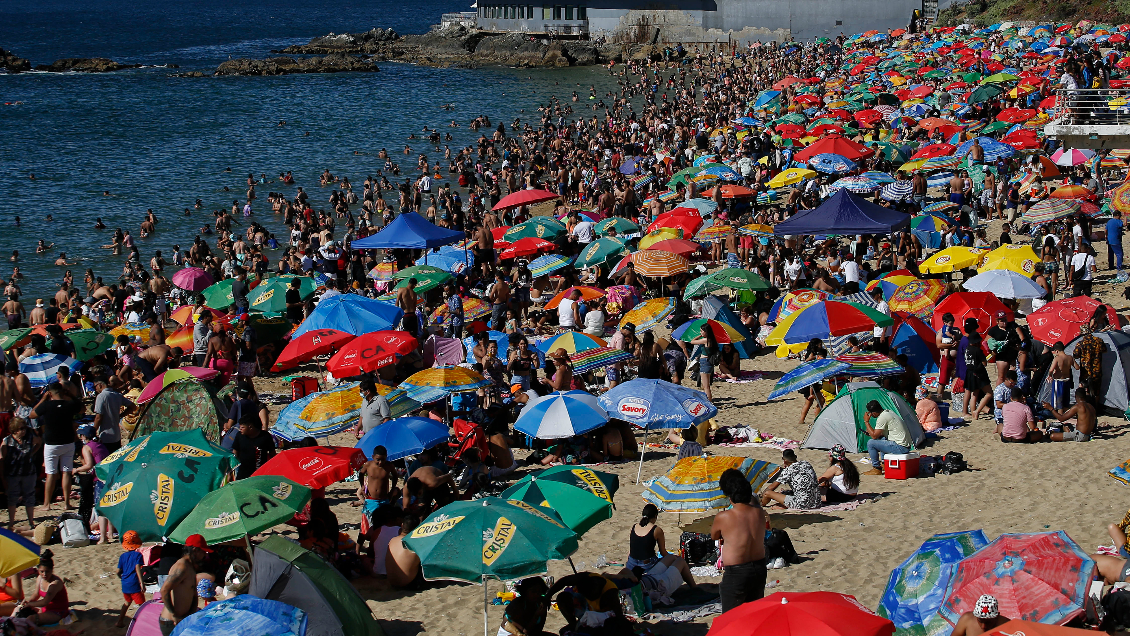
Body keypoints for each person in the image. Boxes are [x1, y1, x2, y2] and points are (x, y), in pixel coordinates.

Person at [711, 467, 768, 612]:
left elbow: (714, 536)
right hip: (760, 568)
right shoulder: (760, 513)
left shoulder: (724, 517)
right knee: (754, 614)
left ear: (730, 497)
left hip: (737, 571)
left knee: (731, 618)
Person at [28, 383, 78, 511]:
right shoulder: (69, 405)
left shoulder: (46, 405)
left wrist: (43, 400)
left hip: (51, 443)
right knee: (66, 472)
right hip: (67, 442)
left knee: (50, 473)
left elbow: (32, 414)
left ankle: (47, 504)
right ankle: (67, 503)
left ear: (50, 393)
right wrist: (71, 395)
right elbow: (82, 408)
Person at [159, 534, 211, 635]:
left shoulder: (190, 566)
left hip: (182, 620)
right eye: (203, 551)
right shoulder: (181, 566)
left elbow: (193, 593)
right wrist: (174, 614)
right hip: (171, 622)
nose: (205, 555)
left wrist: (191, 614)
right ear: (195, 550)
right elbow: (164, 590)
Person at [0, 417, 36, 531]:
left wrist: (32, 453)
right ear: (15, 430)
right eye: (21, 429)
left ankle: (31, 521)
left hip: (29, 472)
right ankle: (11, 523)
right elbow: (2, 459)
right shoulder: (7, 441)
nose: (23, 431)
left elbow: (39, 442)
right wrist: (2, 476)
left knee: (29, 496)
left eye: (24, 428)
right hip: (13, 473)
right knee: (12, 498)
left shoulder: (29, 438)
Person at [862, 399, 912, 476]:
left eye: (871, 413)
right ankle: (884, 464)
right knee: (882, 439)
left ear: (874, 413)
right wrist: (872, 433)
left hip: (900, 447)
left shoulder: (882, 417)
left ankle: (876, 468)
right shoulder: (888, 412)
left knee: (870, 443)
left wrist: (866, 422)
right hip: (906, 446)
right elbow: (879, 434)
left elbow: (874, 436)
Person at [20, 550, 69, 625]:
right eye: (42, 571)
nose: (44, 574)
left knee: (31, 619)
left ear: (52, 570)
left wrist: (30, 604)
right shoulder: (39, 578)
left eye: (47, 571)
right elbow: (36, 594)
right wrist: (28, 602)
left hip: (57, 611)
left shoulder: (55, 583)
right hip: (46, 608)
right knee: (21, 612)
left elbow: (45, 602)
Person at [92, 377, 134, 453]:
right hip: (116, 434)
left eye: (95, 386)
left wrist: (92, 430)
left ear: (100, 385)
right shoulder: (117, 395)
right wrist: (120, 415)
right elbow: (133, 407)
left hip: (106, 435)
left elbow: (99, 417)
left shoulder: (101, 396)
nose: (95, 389)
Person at [231, 414, 277, 480]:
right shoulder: (239, 436)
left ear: (250, 427)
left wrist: (273, 467)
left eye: (242, 427)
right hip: (243, 473)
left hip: (260, 472)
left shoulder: (265, 436)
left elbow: (272, 453)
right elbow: (235, 452)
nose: (240, 429)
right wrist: (233, 468)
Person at [117, 530, 145, 627]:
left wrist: (121, 578)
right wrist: (142, 583)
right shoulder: (138, 555)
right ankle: (142, 623)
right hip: (134, 583)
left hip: (125, 583)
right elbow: (138, 568)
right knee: (142, 605)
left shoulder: (122, 556)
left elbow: (117, 571)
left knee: (127, 602)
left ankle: (120, 621)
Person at [689, 325, 719, 402]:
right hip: (709, 362)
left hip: (705, 362)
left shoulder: (706, 340)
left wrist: (699, 336)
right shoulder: (712, 340)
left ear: (706, 332)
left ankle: (709, 401)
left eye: (702, 331)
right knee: (706, 384)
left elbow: (692, 341)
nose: (701, 332)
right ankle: (709, 400)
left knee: (706, 386)